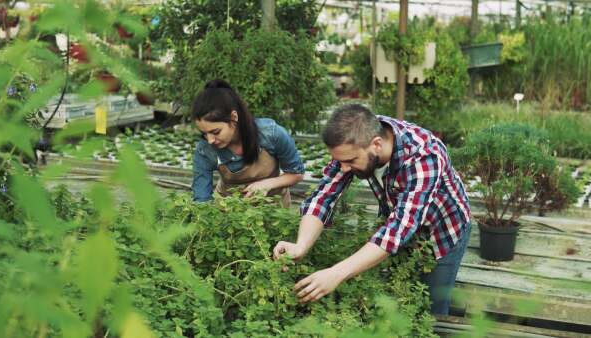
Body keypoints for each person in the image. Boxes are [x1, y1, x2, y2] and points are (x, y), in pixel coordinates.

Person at [273, 104, 471, 315]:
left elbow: (398, 229)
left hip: (442, 232)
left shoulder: (424, 156)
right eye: (340, 161)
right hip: (397, 219)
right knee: (395, 297)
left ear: (376, 145)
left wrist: (336, 273)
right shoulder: (354, 138)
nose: (344, 168)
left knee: (433, 307)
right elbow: (322, 197)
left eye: (350, 161)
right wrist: (301, 245)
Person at [191, 79, 305, 207]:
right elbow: (201, 200)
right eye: (204, 134)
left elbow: (296, 174)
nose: (210, 140)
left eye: (216, 132)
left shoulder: (271, 134)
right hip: (229, 212)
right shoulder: (205, 149)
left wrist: (267, 184)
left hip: (273, 208)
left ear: (234, 117)